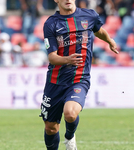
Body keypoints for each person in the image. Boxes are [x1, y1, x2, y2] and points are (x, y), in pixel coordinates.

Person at [39, 0, 118, 150]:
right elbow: (52, 57)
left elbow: (98, 30)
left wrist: (109, 40)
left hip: (79, 78)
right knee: (51, 127)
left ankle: (70, 138)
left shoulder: (89, 16)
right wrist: (67, 60)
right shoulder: (51, 23)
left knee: (70, 113)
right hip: (55, 81)